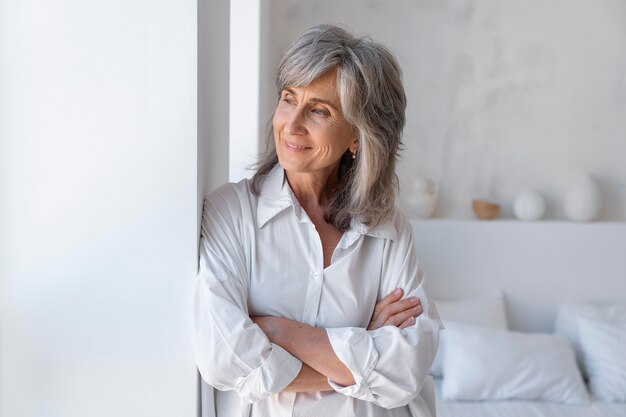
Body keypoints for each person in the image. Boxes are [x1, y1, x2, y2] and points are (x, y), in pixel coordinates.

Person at [192, 24, 442, 417]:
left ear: (357, 137)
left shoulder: (388, 230)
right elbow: (225, 358)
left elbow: (407, 370)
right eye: (289, 99)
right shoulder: (232, 212)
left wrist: (278, 332)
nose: (291, 125)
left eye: (319, 110)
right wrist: (362, 345)